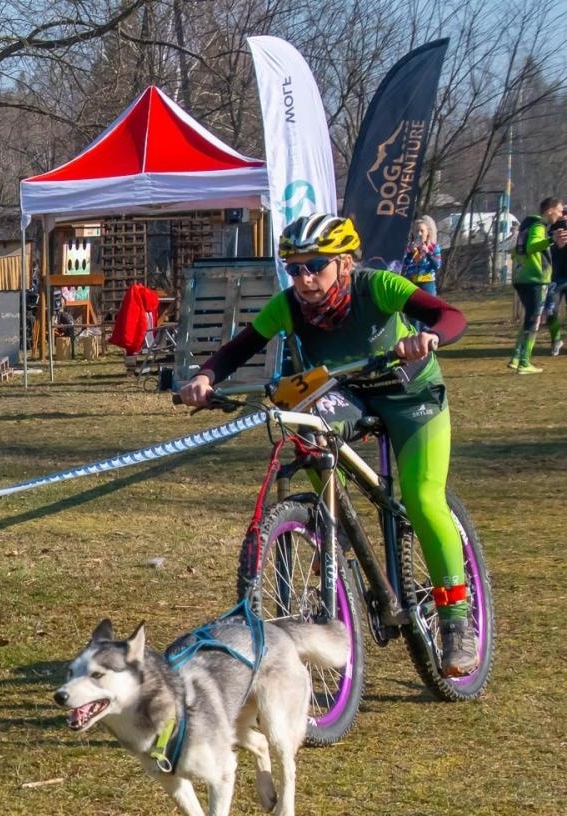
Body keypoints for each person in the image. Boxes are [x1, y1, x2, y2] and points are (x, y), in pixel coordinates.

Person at [177, 214, 478, 675]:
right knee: (306, 422)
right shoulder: (289, 305)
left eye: (315, 265)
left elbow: (449, 315)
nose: (304, 278)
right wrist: (205, 376)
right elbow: (240, 346)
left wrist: (429, 336)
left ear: (344, 262)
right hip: (350, 391)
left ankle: (456, 621)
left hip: (411, 394)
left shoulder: (379, 286)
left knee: (421, 497)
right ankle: (327, 526)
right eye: (293, 268)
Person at [507, 196, 561, 374]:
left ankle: (516, 357)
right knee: (534, 320)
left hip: (521, 277)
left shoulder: (527, 224)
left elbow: (516, 250)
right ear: (550, 210)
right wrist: (551, 240)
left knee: (529, 318)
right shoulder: (539, 226)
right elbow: (532, 247)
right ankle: (524, 362)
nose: (560, 215)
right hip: (535, 279)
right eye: (559, 211)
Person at [543, 214, 567, 357]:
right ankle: (556, 340)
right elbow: (542, 250)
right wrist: (555, 243)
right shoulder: (551, 232)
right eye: (562, 213)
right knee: (552, 311)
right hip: (554, 279)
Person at [400, 215, 442, 294]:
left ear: (427, 232)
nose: (419, 233)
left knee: (429, 305)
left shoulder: (433, 247)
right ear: (412, 232)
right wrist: (410, 254)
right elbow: (402, 267)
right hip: (411, 283)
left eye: (422, 231)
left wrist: (428, 253)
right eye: (416, 231)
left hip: (427, 283)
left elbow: (437, 266)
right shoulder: (408, 248)